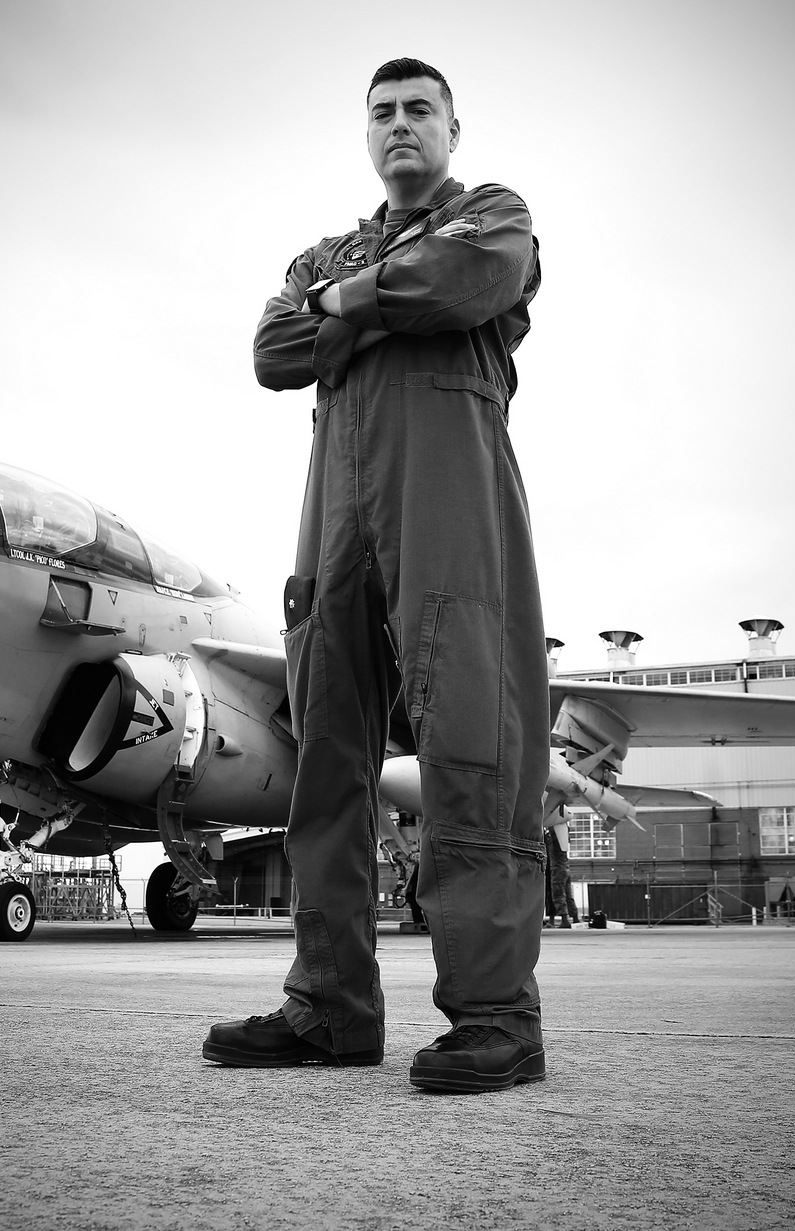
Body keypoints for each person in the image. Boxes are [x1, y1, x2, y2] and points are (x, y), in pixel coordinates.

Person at [203, 58, 549, 1093]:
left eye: (419, 112)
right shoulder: (328, 246)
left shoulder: (491, 212)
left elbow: (467, 277)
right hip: (336, 510)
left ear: (452, 128)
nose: (401, 125)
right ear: (366, 136)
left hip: (448, 494)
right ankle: (329, 1005)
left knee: (469, 742)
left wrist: (345, 305)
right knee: (325, 753)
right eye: (383, 114)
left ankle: (496, 1017)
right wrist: (365, 295)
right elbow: (272, 348)